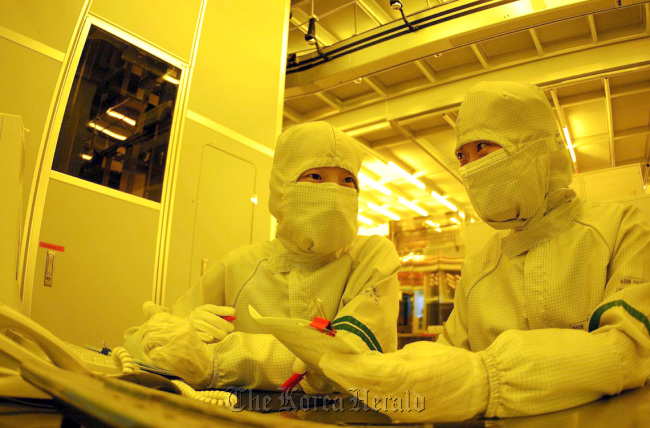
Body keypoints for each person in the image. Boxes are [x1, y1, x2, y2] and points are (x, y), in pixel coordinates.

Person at [316, 81, 650, 421]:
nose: (471, 167)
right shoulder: (479, 267)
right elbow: (449, 354)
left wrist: (489, 377)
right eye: (462, 156)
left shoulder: (622, 228)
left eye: (483, 147)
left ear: (534, 145)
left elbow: (632, 349)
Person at [123, 121, 400, 391]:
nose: (334, 191)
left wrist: (214, 359)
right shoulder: (238, 266)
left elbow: (347, 358)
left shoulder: (373, 257)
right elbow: (136, 347)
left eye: (347, 180)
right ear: (282, 186)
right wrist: (180, 336)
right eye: (315, 176)